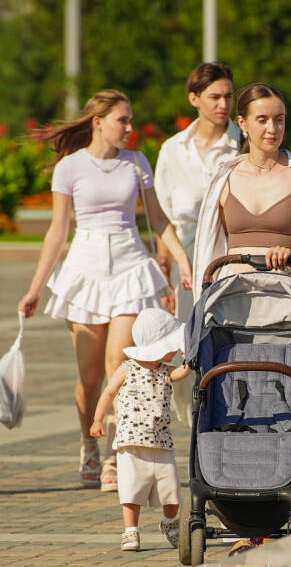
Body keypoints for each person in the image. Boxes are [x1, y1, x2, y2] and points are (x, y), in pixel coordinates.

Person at [17, 90, 193, 492]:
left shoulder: (136, 163)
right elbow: (57, 232)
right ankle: (89, 444)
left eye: (131, 120)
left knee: (120, 362)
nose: (130, 129)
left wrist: (182, 260)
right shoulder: (70, 167)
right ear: (98, 122)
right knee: (89, 377)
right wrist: (34, 289)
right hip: (85, 269)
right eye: (122, 121)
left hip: (130, 265)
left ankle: (114, 455)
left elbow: (158, 218)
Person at [154, 62, 242, 420]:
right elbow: (163, 217)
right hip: (186, 262)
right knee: (186, 344)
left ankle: (228, 423)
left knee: (229, 343)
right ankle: (194, 429)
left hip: (232, 259)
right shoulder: (173, 150)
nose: (223, 104)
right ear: (194, 99)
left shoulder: (243, 144)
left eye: (228, 96)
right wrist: (164, 275)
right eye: (214, 97)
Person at [191, 82, 291, 297]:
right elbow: (206, 251)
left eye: (279, 120)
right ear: (243, 123)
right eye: (262, 120)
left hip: (287, 295)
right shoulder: (224, 178)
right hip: (231, 299)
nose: (273, 128)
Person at [89, 308, 191, 551]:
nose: (175, 351)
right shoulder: (127, 368)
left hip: (160, 441)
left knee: (171, 490)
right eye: (173, 346)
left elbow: (181, 373)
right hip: (130, 441)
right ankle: (130, 531)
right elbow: (109, 392)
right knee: (131, 489)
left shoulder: (164, 371)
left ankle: (170, 523)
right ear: (159, 346)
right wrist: (97, 419)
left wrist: (188, 360)